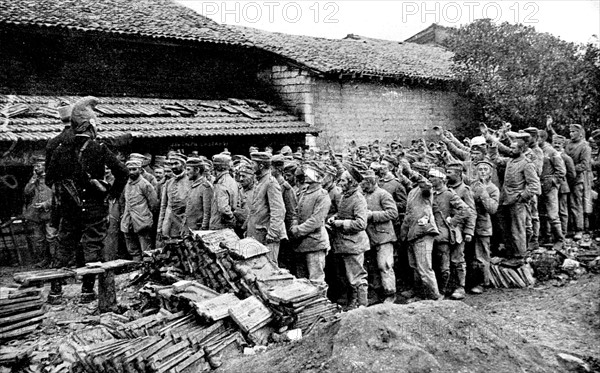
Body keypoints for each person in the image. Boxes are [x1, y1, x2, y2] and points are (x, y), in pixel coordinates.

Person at [46, 96, 128, 303]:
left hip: (69, 209)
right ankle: (87, 292)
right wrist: (111, 195)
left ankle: (55, 292)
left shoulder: (59, 149)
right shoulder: (98, 148)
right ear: (90, 125)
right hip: (94, 209)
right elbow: (123, 173)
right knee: (92, 248)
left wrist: (67, 193)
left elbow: (49, 179)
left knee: (64, 247)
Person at [489, 132, 541, 261]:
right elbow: (496, 159)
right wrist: (493, 146)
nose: (511, 150)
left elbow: (534, 185)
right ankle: (510, 252)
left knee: (518, 229)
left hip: (517, 201)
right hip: (505, 199)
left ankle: (519, 255)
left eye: (514, 148)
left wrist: (522, 197)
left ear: (521, 149)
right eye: (510, 148)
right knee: (505, 227)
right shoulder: (510, 160)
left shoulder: (527, 164)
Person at [327, 163, 370, 309]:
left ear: (351, 182)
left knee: (357, 277)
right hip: (344, 243)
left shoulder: (358, 199)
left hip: (354, 244)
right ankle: (353, 303)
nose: (340, 183)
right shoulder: (345, 196)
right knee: (348, 277)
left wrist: (340, 223)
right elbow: (343, 213)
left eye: (343, 181)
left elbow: (361, 224)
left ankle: (362, 305)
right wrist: (334, 217)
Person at [399, 164, 442, 301]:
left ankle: (433, 298)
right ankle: (420, 294)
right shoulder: (413, 191)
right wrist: (403, 234)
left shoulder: (426, 189)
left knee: (424, 268)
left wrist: (411, 172)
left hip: (423, 232)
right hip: (413, 233)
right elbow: (408, 215)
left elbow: (426, 184)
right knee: (415, 266)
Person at [429, 167, 472, 300]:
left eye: (433, 177)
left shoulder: (449, 194)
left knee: (457, 261)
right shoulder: (430, 193)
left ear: (441, 179)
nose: (430, 179)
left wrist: (453, 221)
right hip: (438, 234)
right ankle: (444, 289)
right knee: (442, 264)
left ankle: (460, 287)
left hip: (453, 233)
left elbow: (466, 210)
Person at [289, 161, 331, 284]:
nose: (305, 175)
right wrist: (294, 224)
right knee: (301, 279)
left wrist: (298, 230)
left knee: (316, 279)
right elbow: (296, 212)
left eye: (309, 172)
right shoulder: (304, 192)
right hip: (301, 242)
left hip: (315, 242)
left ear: (317, 175)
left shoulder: (322, 195)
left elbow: (316, 220)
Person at [360, 169, 399, 303]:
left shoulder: (383, 194)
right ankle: (376, 294)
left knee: (385, 266)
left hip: (384, 237)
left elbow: (393, 213)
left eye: (363, 182)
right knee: (372, 267)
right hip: (369, 237)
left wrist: (373, 215)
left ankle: (390, 294)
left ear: (370, 181)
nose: (361, 184)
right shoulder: (363, 195)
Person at [246, 152, 287, 264]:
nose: (251, 166)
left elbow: (279, 211)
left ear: (261, 166)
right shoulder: (260, 182)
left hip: (267, 238)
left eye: (253, 163)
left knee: (269, 270)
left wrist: (272, 234)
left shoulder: (270, 183)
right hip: (258, 236)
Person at [467, 160, 499, 294]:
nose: (482, 172)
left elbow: (492, 209)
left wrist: (484, 193)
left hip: (483, 225)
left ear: (490, 172)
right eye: (480, 169)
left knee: (482, 256)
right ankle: (469, 282)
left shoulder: (493, 189)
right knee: (469, 255)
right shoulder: (472, 185)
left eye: (485, 169)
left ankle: (482, 282)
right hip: (469, 225)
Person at [120, 159, 158, 261]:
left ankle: (147, 269)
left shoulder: (145, 184)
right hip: (128, 221)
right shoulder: (126, 184)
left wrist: (145, 215)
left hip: (142, 221)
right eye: (129, 169)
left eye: (134, 169)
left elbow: (154, 204)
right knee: (132, 249)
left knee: (146, 250)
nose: (131, 172)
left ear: (140, 170)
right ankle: (136, 267)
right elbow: (123, 201)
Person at [23, 156, 57, 267]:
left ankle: (55, 261)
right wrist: (33, 180)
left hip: (50, 214)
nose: (36, 168)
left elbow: (58, 196)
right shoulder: (34, 179)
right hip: (36, 215)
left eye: (39, 165)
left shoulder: (53, 178)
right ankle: (44, 260)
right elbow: (27, 192)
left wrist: (46, 204)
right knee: (39, 239)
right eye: (35, 166)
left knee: (51, 237)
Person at [537, 129, 566, 248]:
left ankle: (560, 239)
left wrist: (552, 181)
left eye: (537, 137)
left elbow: (561, 171)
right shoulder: (535, 151)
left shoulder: (552, 152)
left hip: (550, 187)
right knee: (541, 214)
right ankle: (546, 237)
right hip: (539, 186)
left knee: (553, 215)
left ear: (542, 139)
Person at [564, 124, 592, 240]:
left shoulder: (585, 147)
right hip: (565, 179)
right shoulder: (567, 144)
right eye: (570, 132)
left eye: (574, 132)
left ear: (580, 133)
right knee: (565, 204)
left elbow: (584, 165)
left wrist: (570, 168)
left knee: (576, 204)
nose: (571, 134)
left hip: (577, 179)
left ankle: (579, 229)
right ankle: (568, 228)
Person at [157, 153, 190, 240]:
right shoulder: (169, 183)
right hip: (168, 227)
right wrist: (160, 228)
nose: (173, 167)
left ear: (183, 165)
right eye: (171, 164)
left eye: (176, 163)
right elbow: (163, 206)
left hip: (183, 227)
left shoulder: (190, 181)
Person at [552, 135, 576, 237]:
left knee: (562, 211)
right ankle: (553, 234)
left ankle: (563, 232)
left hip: (562, 187)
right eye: (555, 143)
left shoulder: (566, 158)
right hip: (551, 187)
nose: (557, 145)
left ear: (563, 145)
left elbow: (572, 174)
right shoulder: (550, 155)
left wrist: (564, 183)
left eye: (559, 143)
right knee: (553, 211)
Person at [209, 153, 239, 230]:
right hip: (226, 226)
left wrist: (231, 219)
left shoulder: (221, 183)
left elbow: (223, 209)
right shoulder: (231, 180)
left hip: (220, 226)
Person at [183, 157, 213, 232]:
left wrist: (203, 230)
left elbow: (207, 212)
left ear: (197, 170)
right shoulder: (192, 185)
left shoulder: (205, 187)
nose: (186, 173)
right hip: (189, 229)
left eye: (188, 169)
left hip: (197, 231)